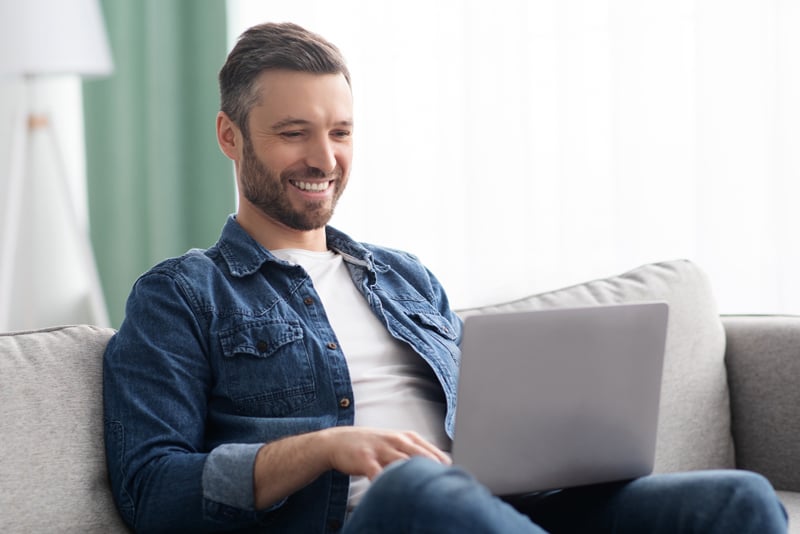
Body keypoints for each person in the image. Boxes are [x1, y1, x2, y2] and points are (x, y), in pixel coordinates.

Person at [103, 21, 788, 533]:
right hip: (377, 518)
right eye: (293, 132)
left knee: (740, 500)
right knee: (414, 490)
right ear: (230, 136)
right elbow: (149, 487)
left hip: (492, 512)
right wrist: (325, 449)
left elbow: (493, 430)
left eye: (340, 132)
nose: (324, 157)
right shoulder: (183, 294)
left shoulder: (402, 277)